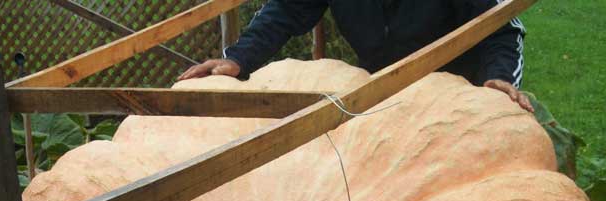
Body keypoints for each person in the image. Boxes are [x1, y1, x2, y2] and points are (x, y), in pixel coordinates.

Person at [178, 0, 533, 112]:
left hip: (458, 100)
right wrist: (239, 59)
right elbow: (288, 9)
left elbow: (501, 28)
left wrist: (498, 77)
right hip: (383, 93)